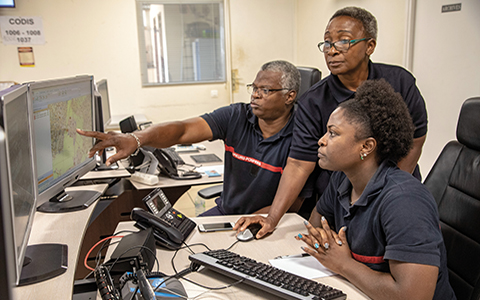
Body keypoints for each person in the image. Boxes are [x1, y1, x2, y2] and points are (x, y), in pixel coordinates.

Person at [234, 6, 428, 238]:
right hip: (339, 202)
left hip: (396, 194)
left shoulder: (400, 82)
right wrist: (272, 218)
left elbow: (415, 140)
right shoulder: (314, 101)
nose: (332, 50)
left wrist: (389, 191)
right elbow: (298, 164)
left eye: (343, 41)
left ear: (369, 46)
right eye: (327, 43)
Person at [78, 60, 308, 215]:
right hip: (226, 215)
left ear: (290, 96)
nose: (255, 95)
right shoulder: (237, 116)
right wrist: (136, 139)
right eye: (254, 87)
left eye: (265, 90)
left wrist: (259, 221)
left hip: (269, 221)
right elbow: (182, 130)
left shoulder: (304, 134)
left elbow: (297, 202)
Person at [296, 79, 455, 300]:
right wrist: (328, 245)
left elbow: (414, 296)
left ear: (366, 147)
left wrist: (343, 264)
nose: (321, 141)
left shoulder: (405, 201)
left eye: (332, 133)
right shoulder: (342, 178)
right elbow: (316, 225)